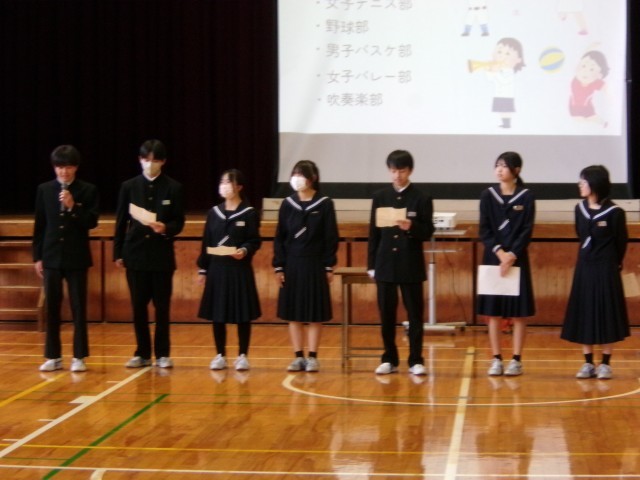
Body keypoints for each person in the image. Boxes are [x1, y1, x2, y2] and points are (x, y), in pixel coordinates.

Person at [114, 139, 185, 369]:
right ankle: (142, 353)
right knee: (138, 306)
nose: (149, 164)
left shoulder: (173, 187)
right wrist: (118, 252)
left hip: (161, 256)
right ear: (140, 160)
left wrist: (166, 228)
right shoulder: (129, 186)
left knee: (162, 307)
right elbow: (120, 222)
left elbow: (179, 221)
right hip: (135, 254)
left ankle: (163, 353)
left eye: (154, 160)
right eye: (145, 159)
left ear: (163, 162)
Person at [368, 150, 434, 376]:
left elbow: (428, 231)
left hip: (410, 264)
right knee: (386, 314)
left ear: (410, 171)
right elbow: (374, 233)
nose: (397, 175)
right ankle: (389, 358)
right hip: (385, 263)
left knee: (414, 314)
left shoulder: (422, 197)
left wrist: (411, 227)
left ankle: (416, 360)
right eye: (393, 171)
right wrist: (371, 265)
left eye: (402, 171)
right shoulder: (380, 196)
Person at [33, 145, 99, 372]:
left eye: (68, 167)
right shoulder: (44, 189)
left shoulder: (87, 190)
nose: (64, 172)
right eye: (60, 167)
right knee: (52, 306)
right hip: (51, 256)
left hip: (76, 257)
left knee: (78, 307)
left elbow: (91, 222)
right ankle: (53, 356)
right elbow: (40, 226)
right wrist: (38, 257)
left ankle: (79, 356)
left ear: (76, 168)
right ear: (54, 168)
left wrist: (73, 207)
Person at [561, 165, 629, 379]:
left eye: (584, 181)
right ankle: (588, 362)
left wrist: (613, 263)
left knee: (606, 312)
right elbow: (580, 234)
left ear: (595, 183)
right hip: (585, 266)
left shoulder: (615, 212)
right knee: (586, 311)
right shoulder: (579, 209)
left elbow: (621, 242)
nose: (580, 185)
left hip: (606, 268)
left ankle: (606, 363)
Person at [273, 160, 338, 372]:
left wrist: (328, 266)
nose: (297, 178)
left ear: (312, 178)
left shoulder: (324, 204)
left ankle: (313, 356)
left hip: (315, 263)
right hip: (292, 263)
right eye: (294, 174)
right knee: (294, 313)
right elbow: (280, 238)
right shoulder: (287, 204)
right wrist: (279, 266)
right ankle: (298, 356)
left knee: (314, 312)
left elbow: (330, 237)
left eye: (301, 174)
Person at [197, 169, 261, 371]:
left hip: (239, 269)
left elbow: (254, 240)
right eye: (222, 182)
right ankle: (220, 355)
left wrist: (244, 250)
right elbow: (207, 242)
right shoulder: (214, 213)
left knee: (242, 314)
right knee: (218, 313)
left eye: (228, 182)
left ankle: (242, 355)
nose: (224, 186)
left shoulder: (249, 213)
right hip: (217, 268)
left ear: (239, 187)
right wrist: (203, 269)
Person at [478, 151, 535, 377]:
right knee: (493, 312)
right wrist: (500, 253)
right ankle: (496, 359)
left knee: (519, 313)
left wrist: (511, 254)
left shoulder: (526, 196)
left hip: (517, 259)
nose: (499, 170)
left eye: (504, 166)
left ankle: (516, 360)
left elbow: (526, 230)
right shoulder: (487, 195)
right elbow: (485, 230)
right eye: (497, 165)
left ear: (516, 170)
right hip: (494, 258)